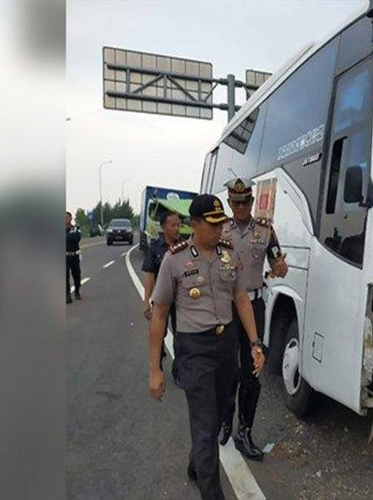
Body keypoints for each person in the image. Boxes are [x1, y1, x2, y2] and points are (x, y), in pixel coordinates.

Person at [148, 194, 265, 500]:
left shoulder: (228, 256)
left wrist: (254, 343)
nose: (218, 230)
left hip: (226, 345)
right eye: (212, 225)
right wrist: (155, 370)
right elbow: (159, 314)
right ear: (194, 224)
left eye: (221, 224)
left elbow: (241, 299)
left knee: (215, 416)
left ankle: (195, 465)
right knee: (204, 425)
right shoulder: (174, 260)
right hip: (194, 348)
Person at [218, 177, 288, 461]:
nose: (242, 207)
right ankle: (225, 420)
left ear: (252, 200)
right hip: (225, 308)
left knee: (251, 372)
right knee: (226, 370)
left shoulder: (266, 231)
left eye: (246, 201)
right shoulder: (220, 229)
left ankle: (244, 431)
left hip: (255, 306)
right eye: (236, 202)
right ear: (229, 203)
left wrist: (281, 267)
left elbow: (278, 267)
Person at [142, 211, 181, 383]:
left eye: (179, 225)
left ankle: (178, 372)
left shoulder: (185, 247)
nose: (177, 228)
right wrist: (146, 302)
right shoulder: (155, 248)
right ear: (164, 227)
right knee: (158, 333)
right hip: (161, 299)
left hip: (181, 300)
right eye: (173, 225)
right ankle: (156, 365)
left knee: (181, 337)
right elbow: (150, 276)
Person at [66, 211, 82, 304]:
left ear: (71, 219)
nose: (65, 219)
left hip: (75, 255)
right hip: (65, 256)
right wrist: (70, 237)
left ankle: (77, 291)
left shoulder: (76, 228)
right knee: (65, 276)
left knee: (76, 274)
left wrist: (68, 237)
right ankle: (67, 294)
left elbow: (77, 238)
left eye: (67, 217)